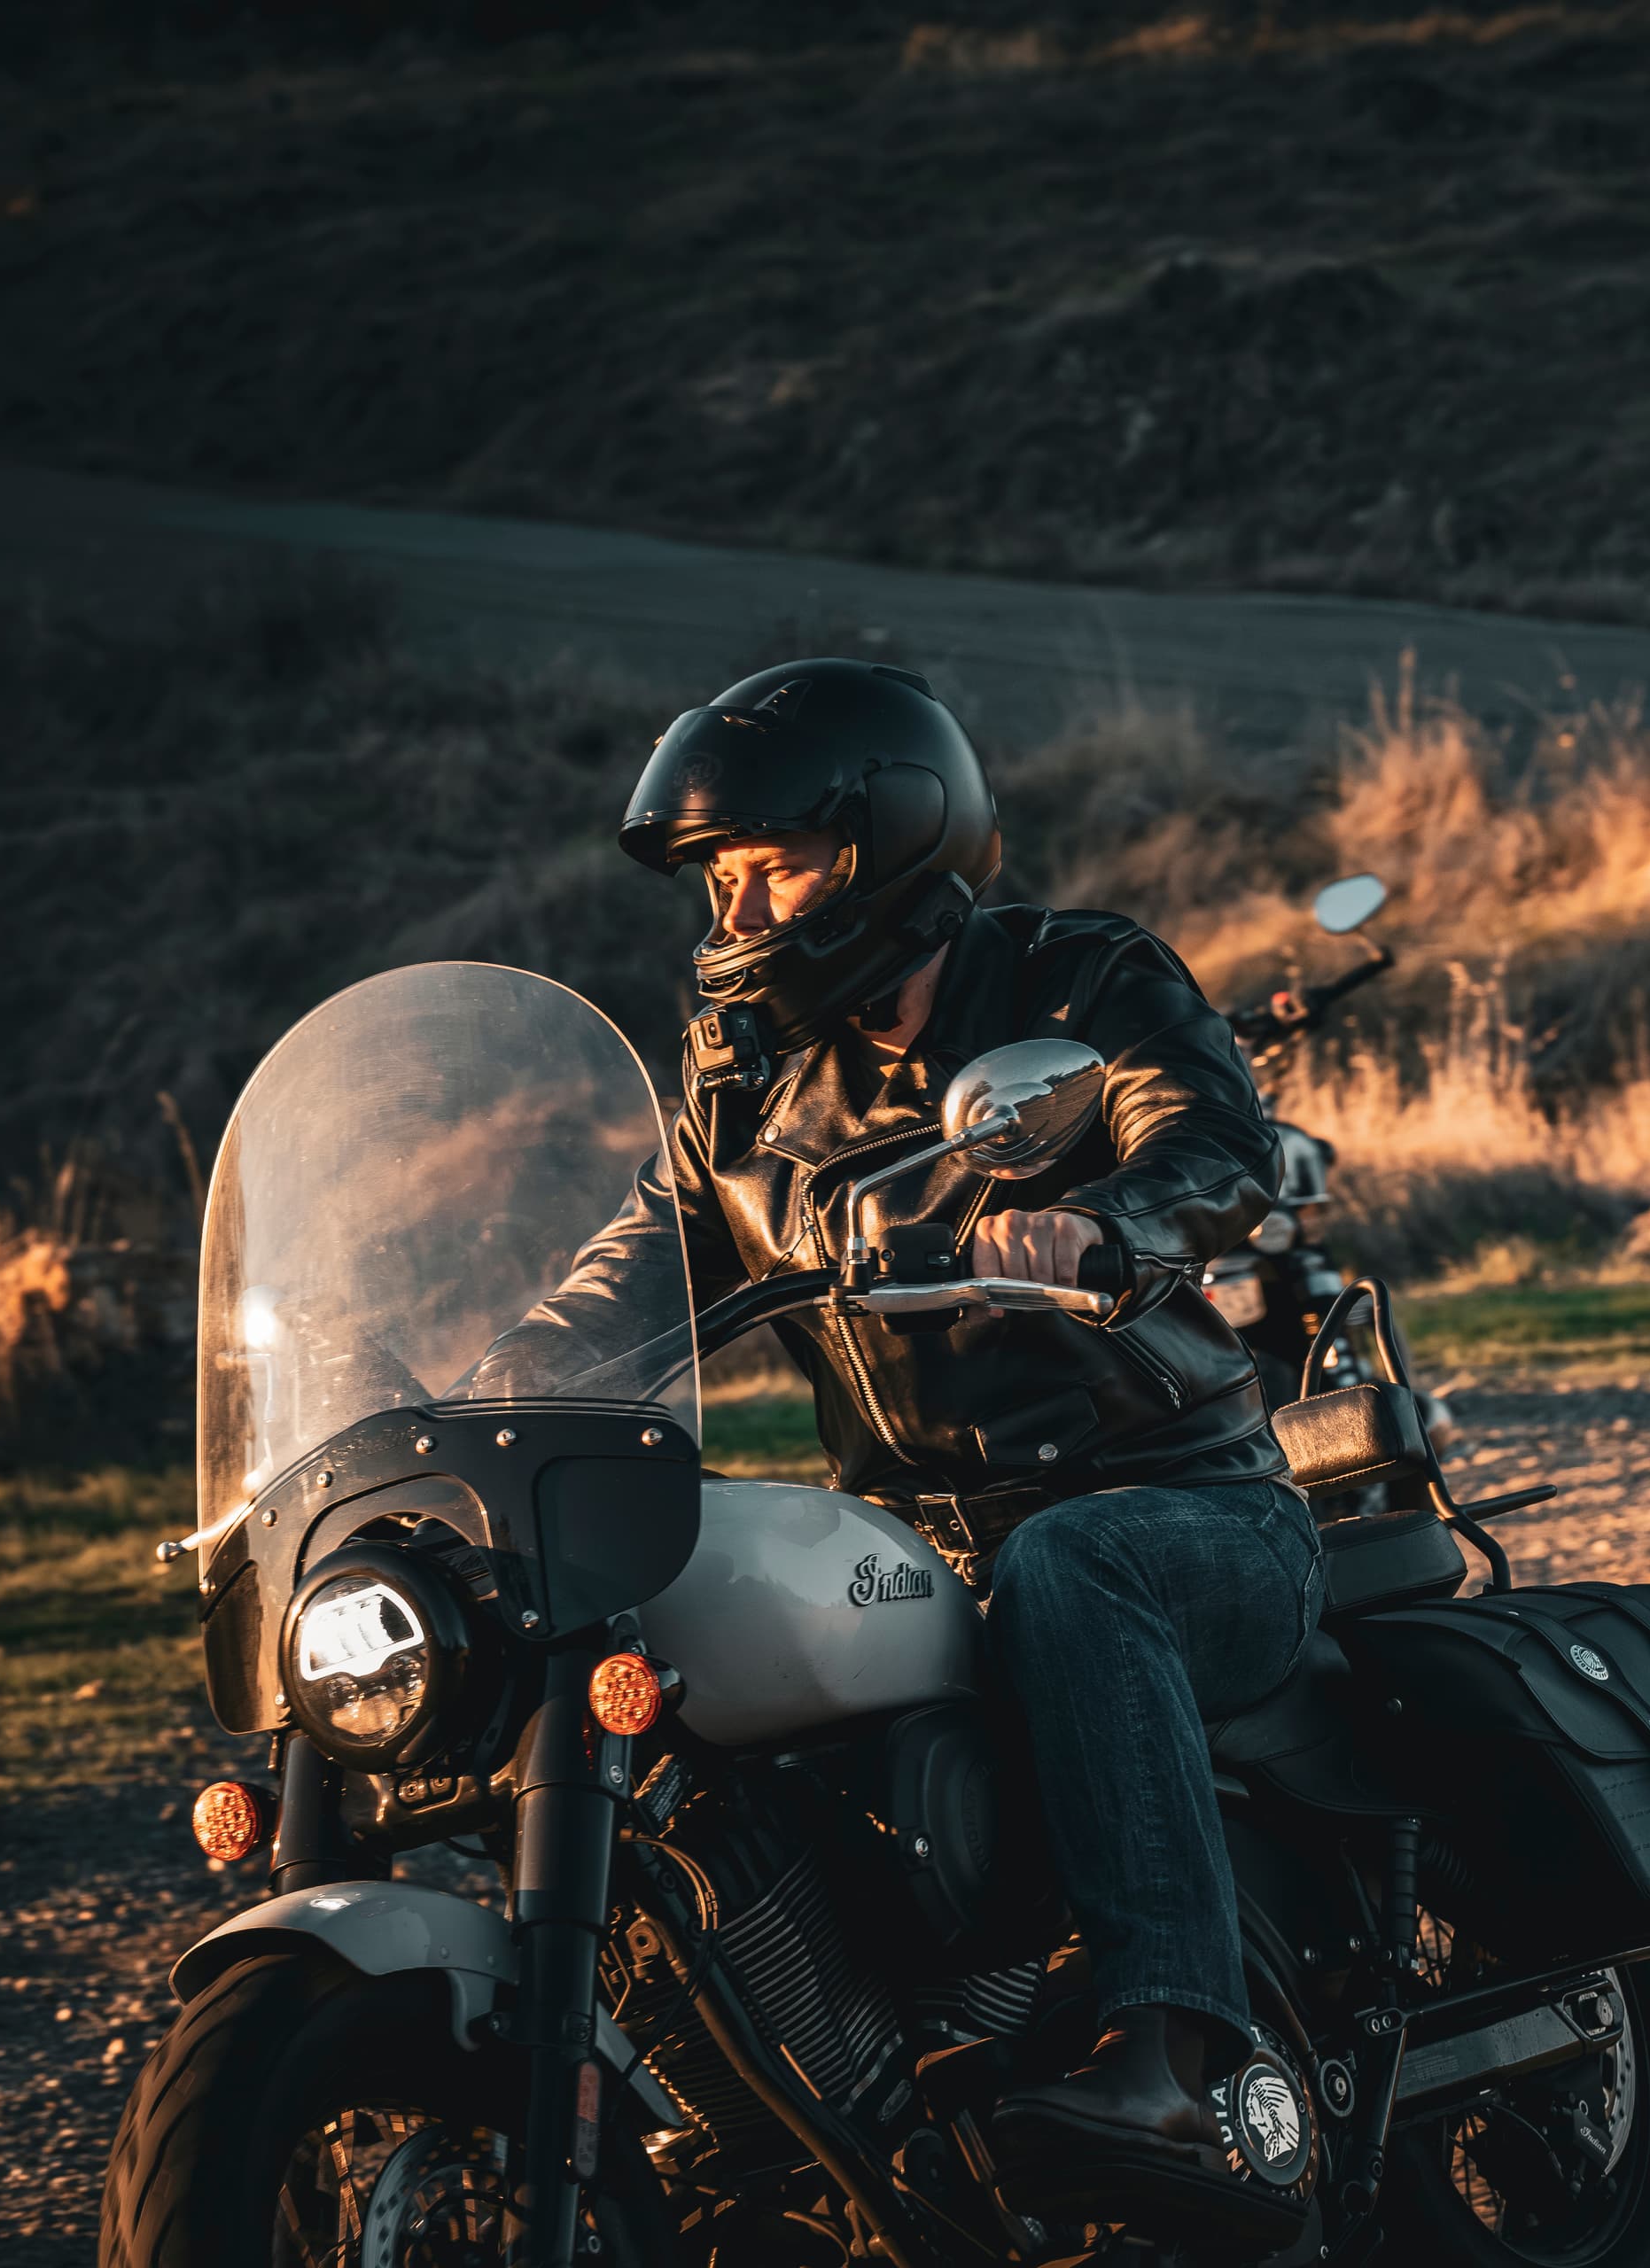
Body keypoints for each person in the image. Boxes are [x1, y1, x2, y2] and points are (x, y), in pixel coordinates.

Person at [617, 657, 1323, 2237]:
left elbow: (1215, 1146)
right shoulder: (744, 1096)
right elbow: (638, 1268)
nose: (737, 911)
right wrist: (474, 1375)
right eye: (718, 879)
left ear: (894, 846)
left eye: (774, 866)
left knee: (1072, 1566)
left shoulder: (1081, 979)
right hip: (919, 1547)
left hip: (1183, 1512)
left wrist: (1105, 1223)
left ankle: (1169, 2062)